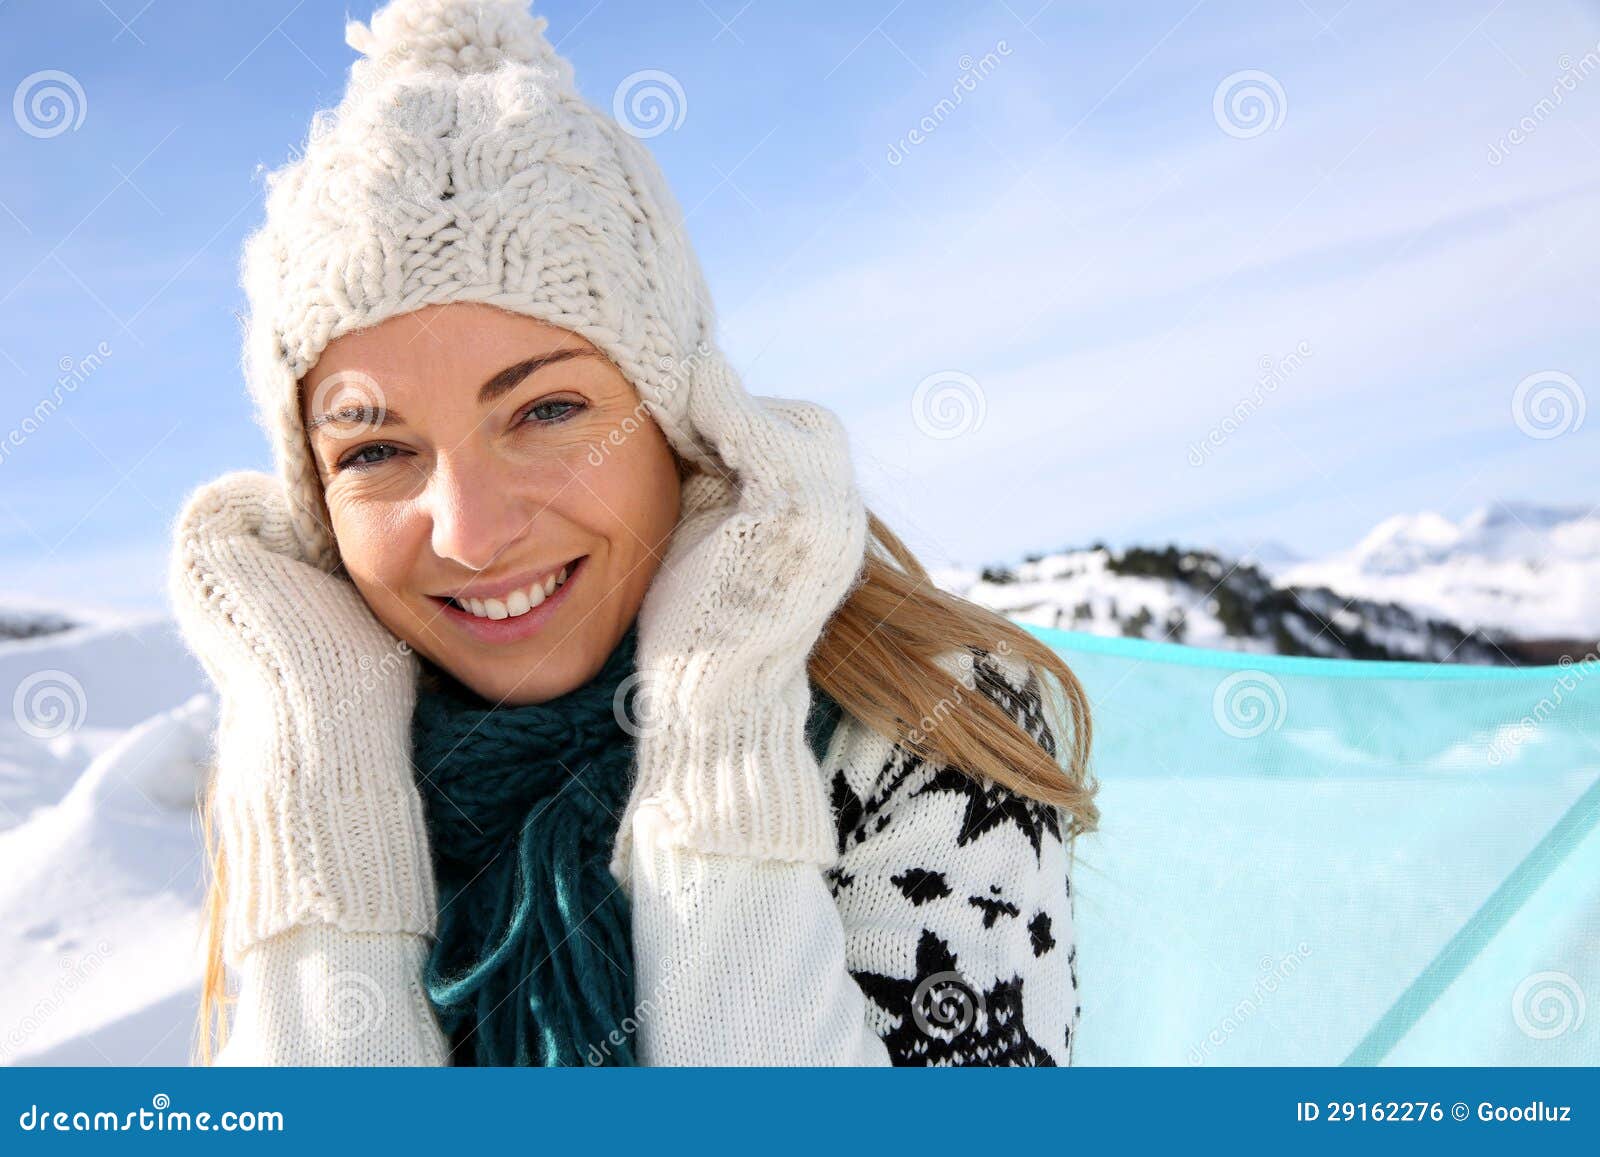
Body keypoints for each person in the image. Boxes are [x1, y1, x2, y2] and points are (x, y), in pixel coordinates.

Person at [169, 0, 1099, 1067]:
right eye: (376, 451)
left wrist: (721, 731)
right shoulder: (322, 756)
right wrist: (329, 809)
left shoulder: (921, 717)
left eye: (547, 411)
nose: (470, 533)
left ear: (679, 418)